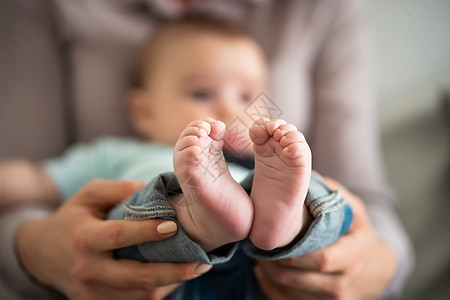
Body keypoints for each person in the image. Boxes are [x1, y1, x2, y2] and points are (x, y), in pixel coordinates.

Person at [0, 0, 414, 299]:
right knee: (145, 207)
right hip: (160, 284)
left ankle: (288, 225)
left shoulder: (264, 162)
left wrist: (380, 259)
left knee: (321, 192)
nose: (229, 109)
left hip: (275, 279)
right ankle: (200, 215)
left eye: (247, 96)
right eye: (201, 93)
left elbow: (368, 206)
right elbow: (34, 179)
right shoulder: (113, 152)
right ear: (143, 111)